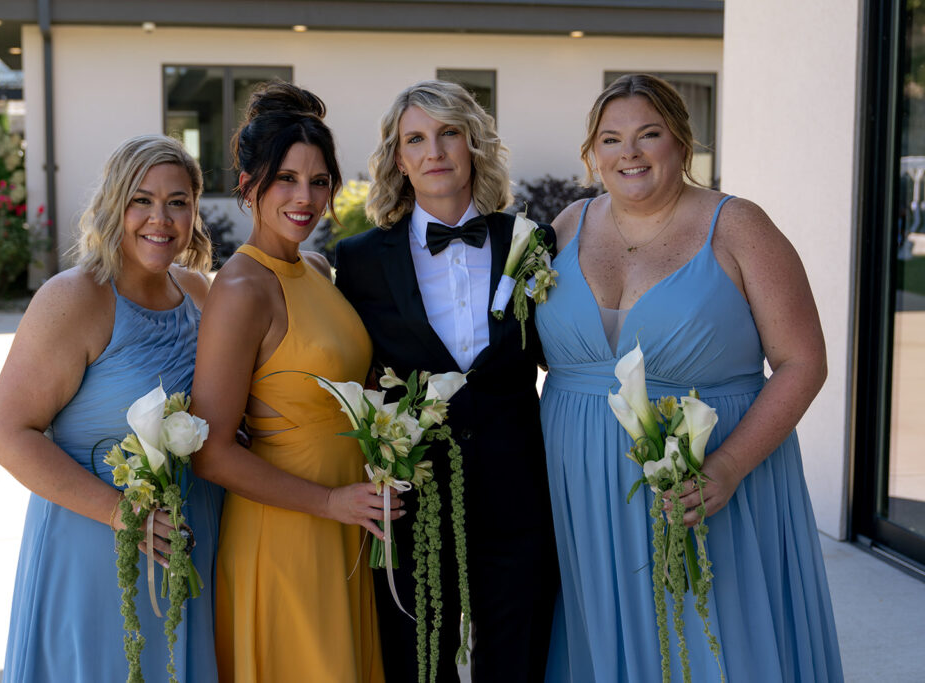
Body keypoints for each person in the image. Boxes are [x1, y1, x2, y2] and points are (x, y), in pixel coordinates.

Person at [537, 73, 844, 682]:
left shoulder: (738, 226)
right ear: (592, 152)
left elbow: (803, 361)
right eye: (611, 139)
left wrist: (726, 468)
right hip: (581, 484)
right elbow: (546, 354)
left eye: (648, 134)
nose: (629, 153)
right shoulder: (568, 224)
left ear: (681, 141)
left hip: (710, 479)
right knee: (600, 638)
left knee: (712, 641)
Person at [334, 79, 559, 683]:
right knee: (417, 665)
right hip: (413, 503)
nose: (434, 151)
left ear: (473, 144)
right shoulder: (359, 261)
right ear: (398, 159)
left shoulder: (531, 244)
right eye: (416, 139)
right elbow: (351, 373)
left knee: (517, 662)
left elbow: (564, 355)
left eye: (449, 133)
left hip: (519, 497)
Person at [0, 135, 223, 682]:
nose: (160, 218)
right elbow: (5, 433)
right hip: (98, 548)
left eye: (178, 201)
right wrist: (125, 516)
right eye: (142, 200)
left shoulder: (198, 292)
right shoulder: (75, 297)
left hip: (191, 542)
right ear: (115, 205)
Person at [189, 81, 390, 683]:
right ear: (248, 185)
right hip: (287, 530)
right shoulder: (240, 288)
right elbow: (211, 452)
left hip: (349, 523)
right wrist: (329, 503)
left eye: (319, 181)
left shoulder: (318, 268)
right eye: (286, 179)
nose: (306, 197)